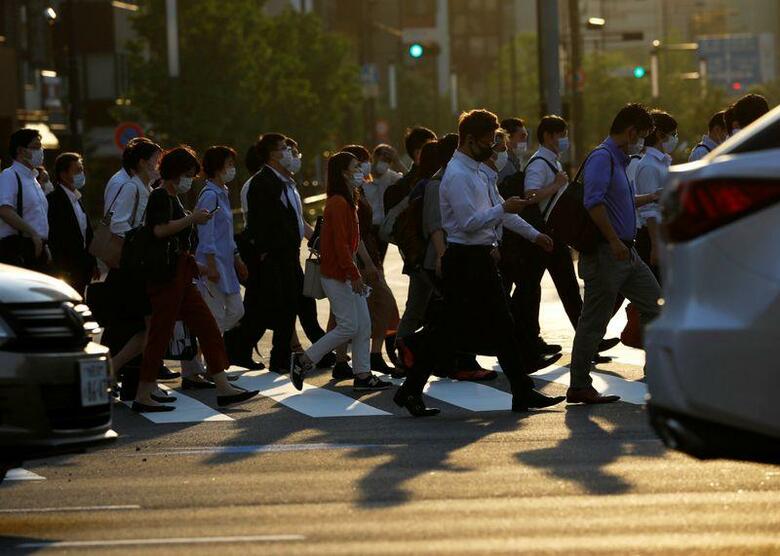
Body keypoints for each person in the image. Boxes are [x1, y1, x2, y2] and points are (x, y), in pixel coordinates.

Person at [394, 109, 566, 417]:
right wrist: (504, 211)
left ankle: (522, 391)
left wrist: (533, 234)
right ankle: (410, 383)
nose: (492, 147)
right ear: (469, 140)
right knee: (451, 331)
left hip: (479, 257)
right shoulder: (458, 175)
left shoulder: (476, 171)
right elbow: (470, 222)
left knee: (501, 327)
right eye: (487, 141)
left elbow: (502, 210)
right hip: (465, 259)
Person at [134, 146, 259, 412]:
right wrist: (193, 219)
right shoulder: (160, 197)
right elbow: (158, 230)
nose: (190, 180)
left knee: (208, 327)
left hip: (183, 272)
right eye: (188, 174)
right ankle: (143, 392)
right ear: (175, 173)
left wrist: (198, 265)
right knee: (160, 333)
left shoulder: (174, 199)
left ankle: (222, 385)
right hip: (166, 276)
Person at [567, 103, 662, 404]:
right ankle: (579, 384)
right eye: (643, 136)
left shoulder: (619, 161)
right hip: (608, 252)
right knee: (593, 321)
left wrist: (651, 197)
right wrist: (614, 240)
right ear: (631, 131)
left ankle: (658, 370)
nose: (643, 143)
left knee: (656, 305)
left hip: (626, 251)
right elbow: (593, 203)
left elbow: (620, 202)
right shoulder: (602, 158)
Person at [290, 151, 391, 392]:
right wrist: (354, 274)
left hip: (345, 272)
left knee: (363, 324)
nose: (360, 170)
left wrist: (367, 265)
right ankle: (304, 360)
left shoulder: (348, 199)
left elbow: (355, 241)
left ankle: (363, 375)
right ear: (344, 172)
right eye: (356, 166)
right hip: (337, 274)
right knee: (348, 326)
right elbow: (340, 245)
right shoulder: (337, 202)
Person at [224, 133, 305, 373]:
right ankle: (268, 355)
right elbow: (260, 222)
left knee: (286, 305)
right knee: (275, 307)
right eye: (283, 149)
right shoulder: (262, 182)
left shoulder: (283, 181)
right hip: (273, 255)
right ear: (272, 154)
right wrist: (264, 251)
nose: (288, 153)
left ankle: (271, 355)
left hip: (289, 254)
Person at [340, 144, 400, 376]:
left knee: (350, 311)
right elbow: (354, 235)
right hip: (361, 258)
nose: (363, 167)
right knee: (382, 304)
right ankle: (370, 356)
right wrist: (365, 263)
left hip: (367, 254)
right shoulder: (346, 196)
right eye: (358, 163)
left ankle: (344, 361)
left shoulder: (356, 191)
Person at [634, 109, 678, 277]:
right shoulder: (649, 166)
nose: (675, 138)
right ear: (660, 135)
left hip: (663, 235)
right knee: (655, 295)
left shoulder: (662, 162)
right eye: (673, 134)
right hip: (652, 237)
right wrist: (656, 246)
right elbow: (649, 212)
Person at [46, 152, 96, 297]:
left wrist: (92, 262)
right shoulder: (53, 201)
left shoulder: (77, 198)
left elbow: (85, 233)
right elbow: (56, 236)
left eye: (82, 170)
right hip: (66, 271)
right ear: (63, 174)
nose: (81, 174)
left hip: (81, 269)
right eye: (77, 170)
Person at [0, 128, 50, 271]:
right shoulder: (10, 175)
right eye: (36, 147)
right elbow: (4, 210)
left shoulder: (33, 180)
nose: (40, 151)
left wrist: (43, 243)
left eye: (41, 147)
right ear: (20, 151)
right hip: (18, 248)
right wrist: (33, 233)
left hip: (36, 246)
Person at [382, 127, 437, 215]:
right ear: (418, 154)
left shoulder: (399, 186)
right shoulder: (426, 185)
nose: (436, 153)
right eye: (431, 148)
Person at [366, 143, 402, 261]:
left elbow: (410, 181)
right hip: (366, 229)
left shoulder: (391, 176)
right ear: (374, 157)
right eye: (383, 159)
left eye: (388, 161)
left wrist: (398, 162)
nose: (385, 163)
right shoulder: (362, 175)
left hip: (381, 229)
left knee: (379, 262)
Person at [498, 117, 529, 183]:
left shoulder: (514, 161)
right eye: (522, 137)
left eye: (526, 137)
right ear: (507, 138)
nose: (525, 141)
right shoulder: (503, 164)